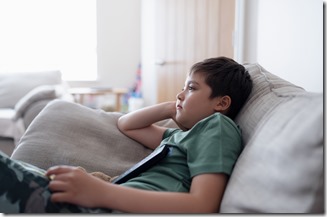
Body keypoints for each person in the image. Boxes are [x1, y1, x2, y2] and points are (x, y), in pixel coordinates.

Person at [0, 56, 253, 213]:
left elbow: (202, 205)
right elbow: (127, 124)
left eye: (191, 88)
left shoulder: (217, 127)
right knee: (14, 167)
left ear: (221, 104)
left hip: (110, 206)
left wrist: (102, 192)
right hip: (106, 202)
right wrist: (170, 107)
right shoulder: (183, 136)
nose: (180, 94)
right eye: (182, 88)